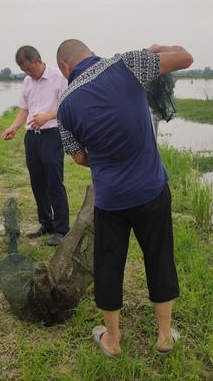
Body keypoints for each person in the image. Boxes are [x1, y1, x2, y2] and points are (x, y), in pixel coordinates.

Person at [56, 39, 193, 357]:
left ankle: (113, 341)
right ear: (89, 52)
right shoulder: (128, 64)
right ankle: (164, 338)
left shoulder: (65, 105)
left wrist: (104, 159)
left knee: (109, 265)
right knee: (158, 257)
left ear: (65, 67)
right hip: (151, 190)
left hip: (110, 199)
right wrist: (159, 48)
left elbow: (78, 157)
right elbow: (185, 58)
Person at [2, 45, 70, 247]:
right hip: (32, 137)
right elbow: (24, 110)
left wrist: (47, 116)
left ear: (39, 60)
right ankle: (46, 223)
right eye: (24, 71)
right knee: (37, 182)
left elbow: (67, 105)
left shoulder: (59, 77)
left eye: (30, 69)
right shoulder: (27, 81)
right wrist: (13, 127)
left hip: (51, 134)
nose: (28, 73)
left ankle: (61, 229)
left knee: (54, 182)